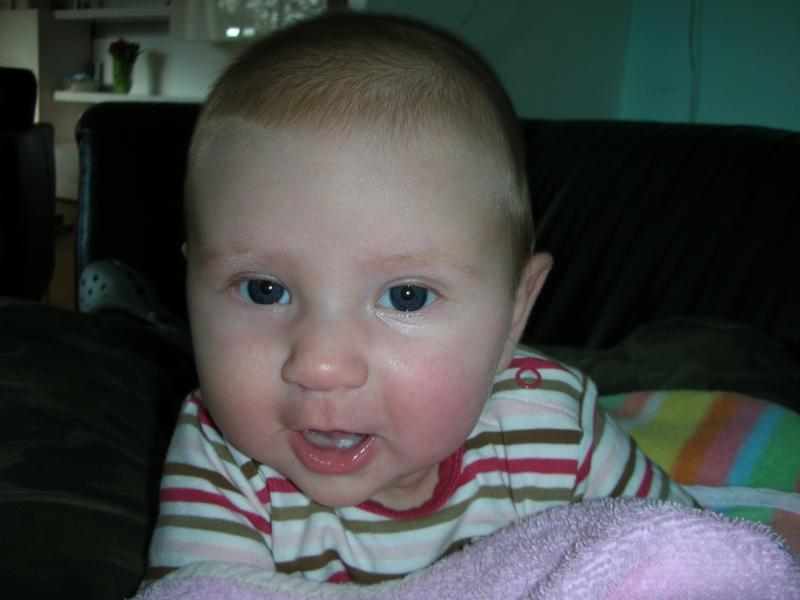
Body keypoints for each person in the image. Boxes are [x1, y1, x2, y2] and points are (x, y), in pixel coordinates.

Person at [143, 10, 695, 586]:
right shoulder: (221, 464)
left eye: (406, 297)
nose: (321, 366)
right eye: (265, 290)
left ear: (513, 314)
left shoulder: (555, 428)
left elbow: (688, 557)